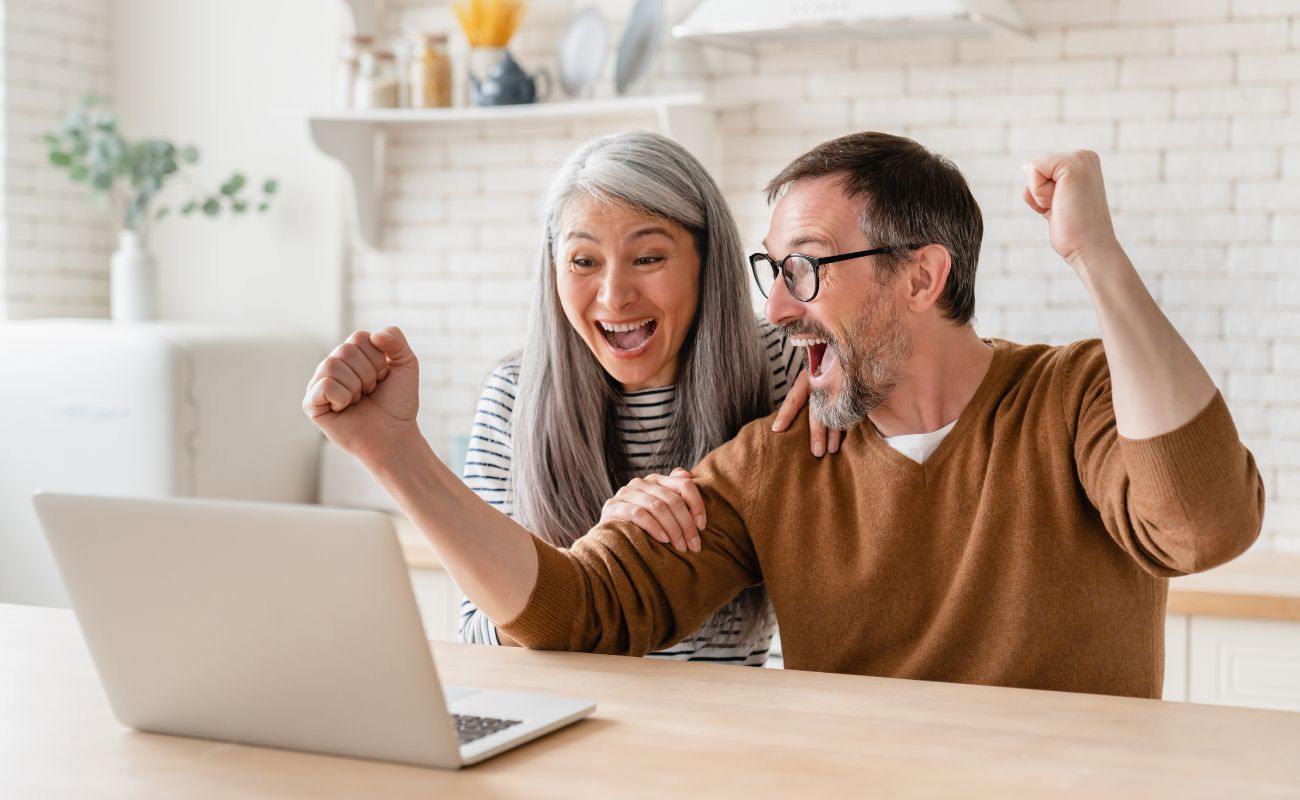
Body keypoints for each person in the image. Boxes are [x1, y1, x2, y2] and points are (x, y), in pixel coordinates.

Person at [304, 132, 1264, 698]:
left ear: (922, 276)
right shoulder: (778, 459)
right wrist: (394, 452)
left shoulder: (1076, 397)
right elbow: (572, 615)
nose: (772, 308)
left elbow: (1202, 525)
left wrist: (1096, 256)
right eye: (771, 271)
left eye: (804, 267)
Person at [320, 131, 830, 667]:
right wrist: (604, 551)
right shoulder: (513, 398)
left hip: (720, 722)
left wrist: (842, 368)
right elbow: (478, 636)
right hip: (563, 715)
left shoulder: (780, 366)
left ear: (708, 260)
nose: (614, 295)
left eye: (649, 256)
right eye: (584, 262)